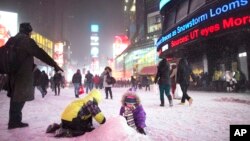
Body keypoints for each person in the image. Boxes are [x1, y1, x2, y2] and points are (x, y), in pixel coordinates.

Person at [6, 23, 63, 129]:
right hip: (22, 74)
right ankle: (14, 122)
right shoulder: (27, 41)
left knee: (15, 96)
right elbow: (40, 53)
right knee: (19, 97)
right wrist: (54, 64)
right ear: (28, 31)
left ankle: (14, 120)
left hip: (12, 74)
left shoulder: (11, 40)